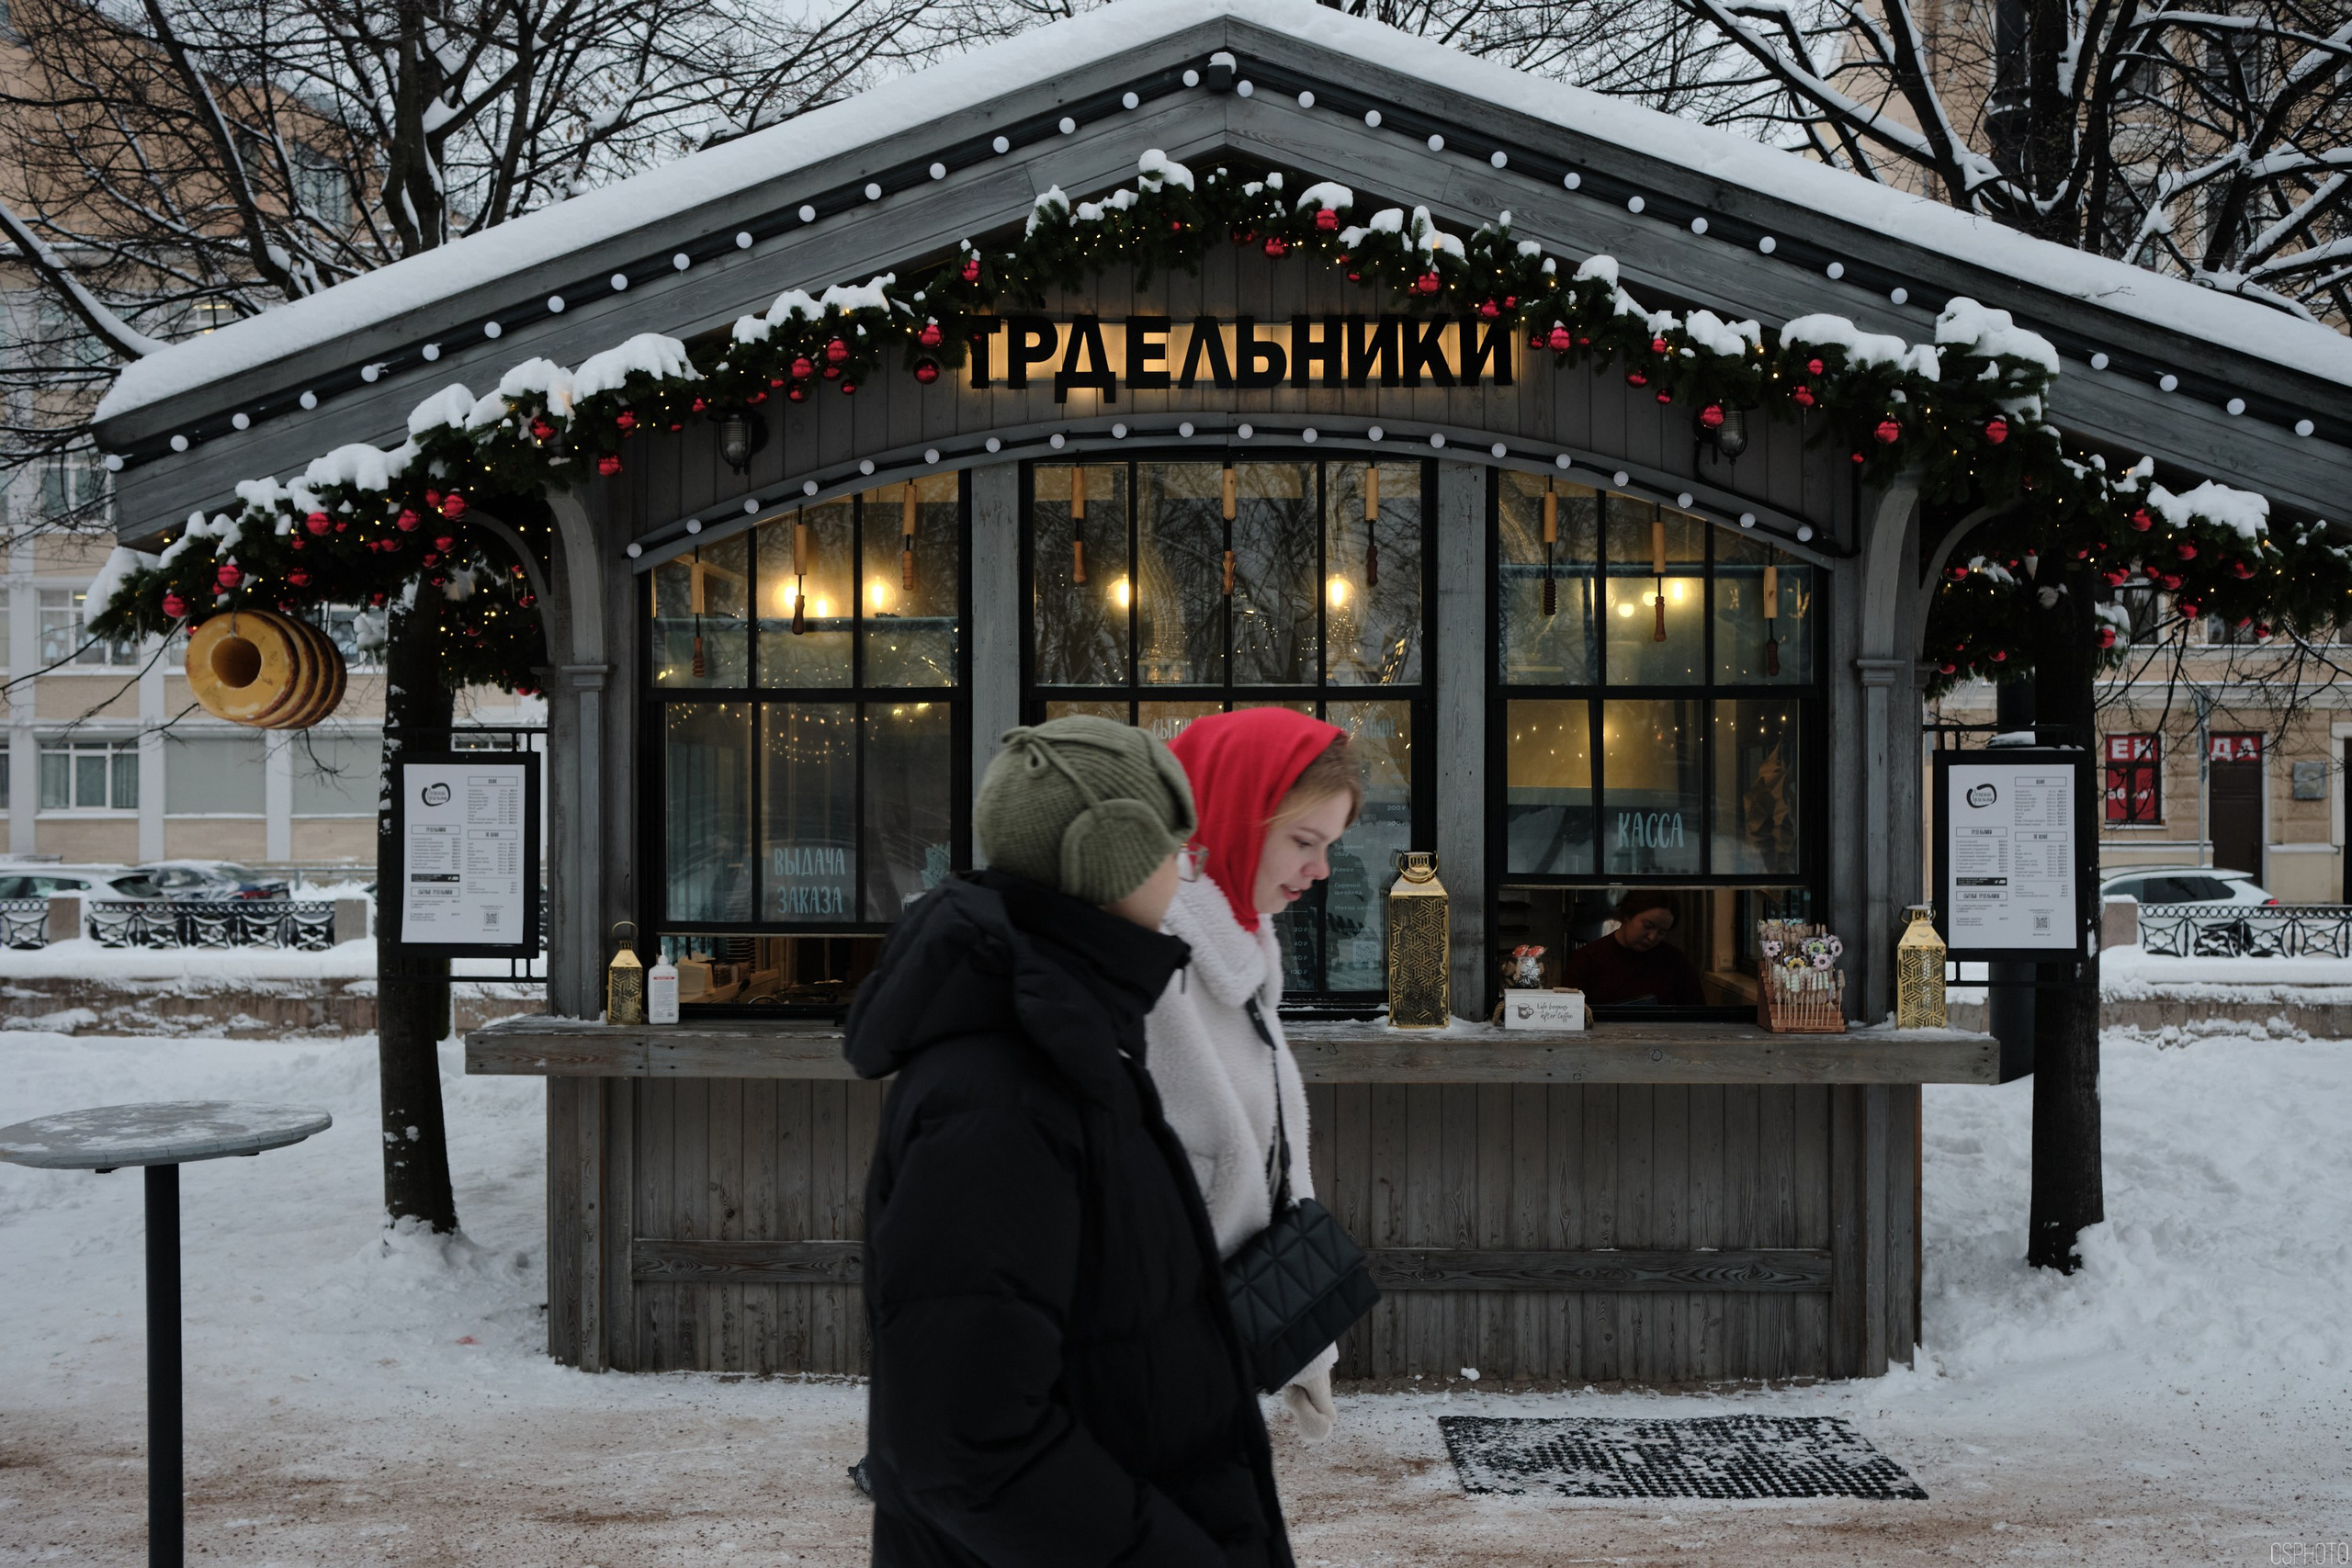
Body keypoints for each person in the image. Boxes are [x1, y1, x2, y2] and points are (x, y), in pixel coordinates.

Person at [846, 716, 1295, 1568]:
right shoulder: (1002, 1089)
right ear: (1108, 859)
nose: (1187, 867)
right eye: (1173, 848)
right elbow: (965, 1442)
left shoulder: (1071, 1036)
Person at [1148, 708, 1362, 1445]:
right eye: (1305, 841)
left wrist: (1304, 1341)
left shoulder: (1241, 939)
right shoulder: (1150, 955)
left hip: (1201, 1362)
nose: (1322, 870)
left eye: (1329, 845)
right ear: (1233, 817)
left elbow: (1267, 1164)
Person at [1557, 889, 1706, 1007]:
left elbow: (1697, 1016)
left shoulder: (1676, 962)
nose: (1652, 937)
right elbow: (1568, 1012)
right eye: (1647, 926)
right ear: (1628, 915)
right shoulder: (1588, 959)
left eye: (1662, 932)